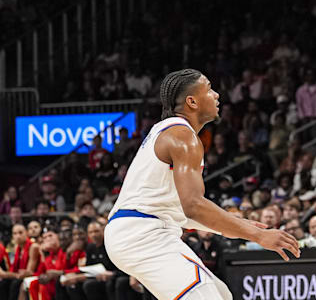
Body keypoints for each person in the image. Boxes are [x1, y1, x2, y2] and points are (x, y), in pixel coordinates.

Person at [105, 69, 300, 300]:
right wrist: (257, 237)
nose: (216, 95)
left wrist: (238, 224)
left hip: (139, 231)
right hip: (142, 233)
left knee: (222, 295)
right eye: (209, 89)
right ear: (192, 101)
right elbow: (193, 205)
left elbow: (184, 212)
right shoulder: (183, 137)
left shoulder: (168, 131)